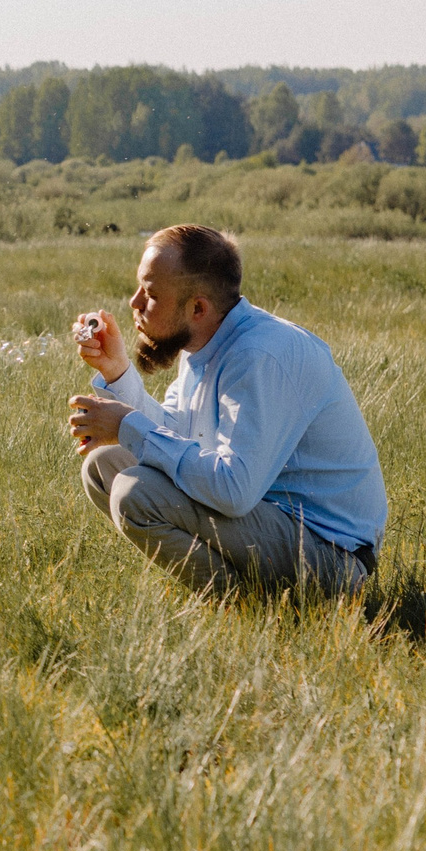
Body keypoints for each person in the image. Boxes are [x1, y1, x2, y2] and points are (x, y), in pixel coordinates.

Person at [66, 224, 385, 596]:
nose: (134, 303)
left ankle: (246, 608)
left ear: (198, 308)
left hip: (331, 556)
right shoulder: (207, 344)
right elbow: (177, 436)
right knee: (103, 467)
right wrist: (117, 371)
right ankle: (247, 599)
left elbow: (234, 490)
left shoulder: (258, 356)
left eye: (151, 294)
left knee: (135, 493)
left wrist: (126, 425)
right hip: (270, 522)